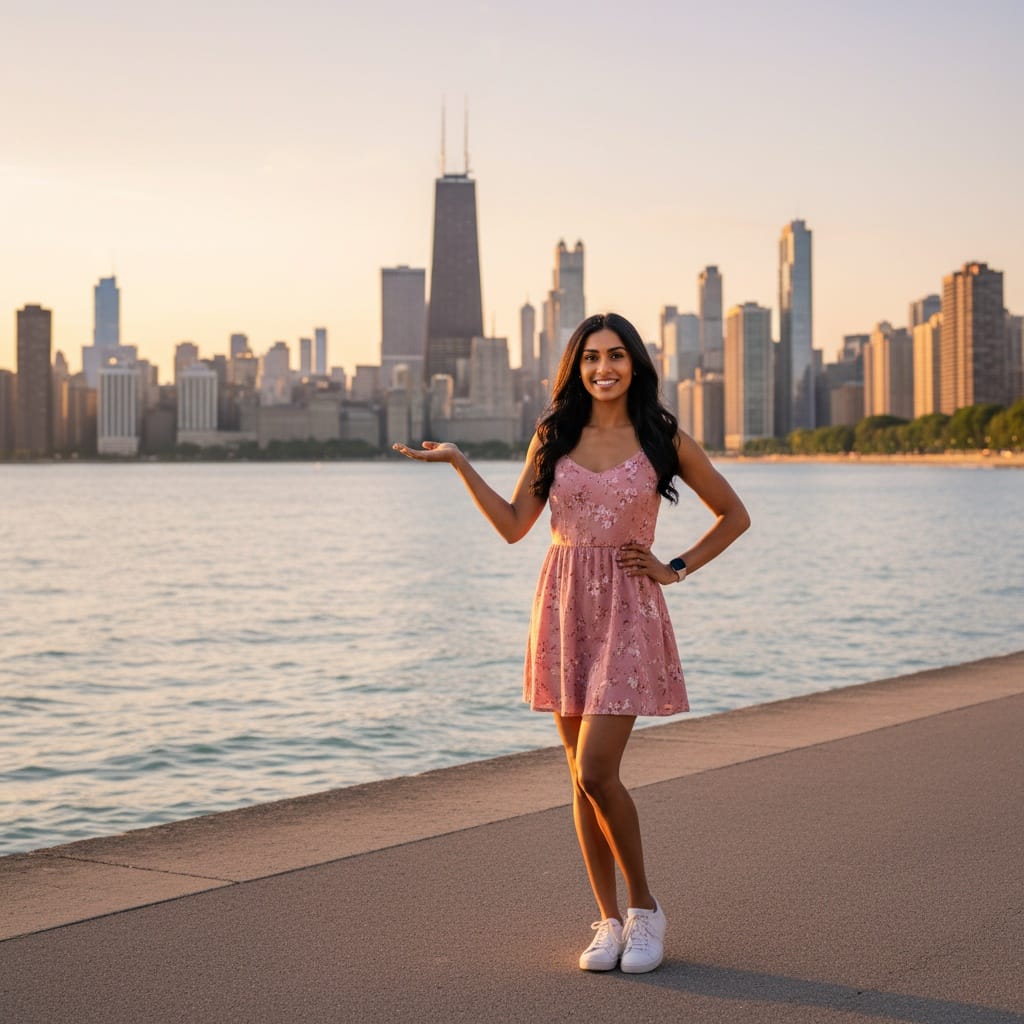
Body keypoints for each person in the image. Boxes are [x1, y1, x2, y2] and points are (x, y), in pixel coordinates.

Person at [394, 312, 750, 974]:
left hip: (627, 609)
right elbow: (512, 526)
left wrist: (674, 568)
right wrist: (458, 463)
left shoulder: (661, 436)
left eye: (616, 356)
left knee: (596, 771)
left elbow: (735, 515)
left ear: (635, 365)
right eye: (590, 358)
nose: (603, 368)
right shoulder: (553, 435)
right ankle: (607, 921)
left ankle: (646, 910)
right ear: (575, 367)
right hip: (562, 608)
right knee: (579, 781)